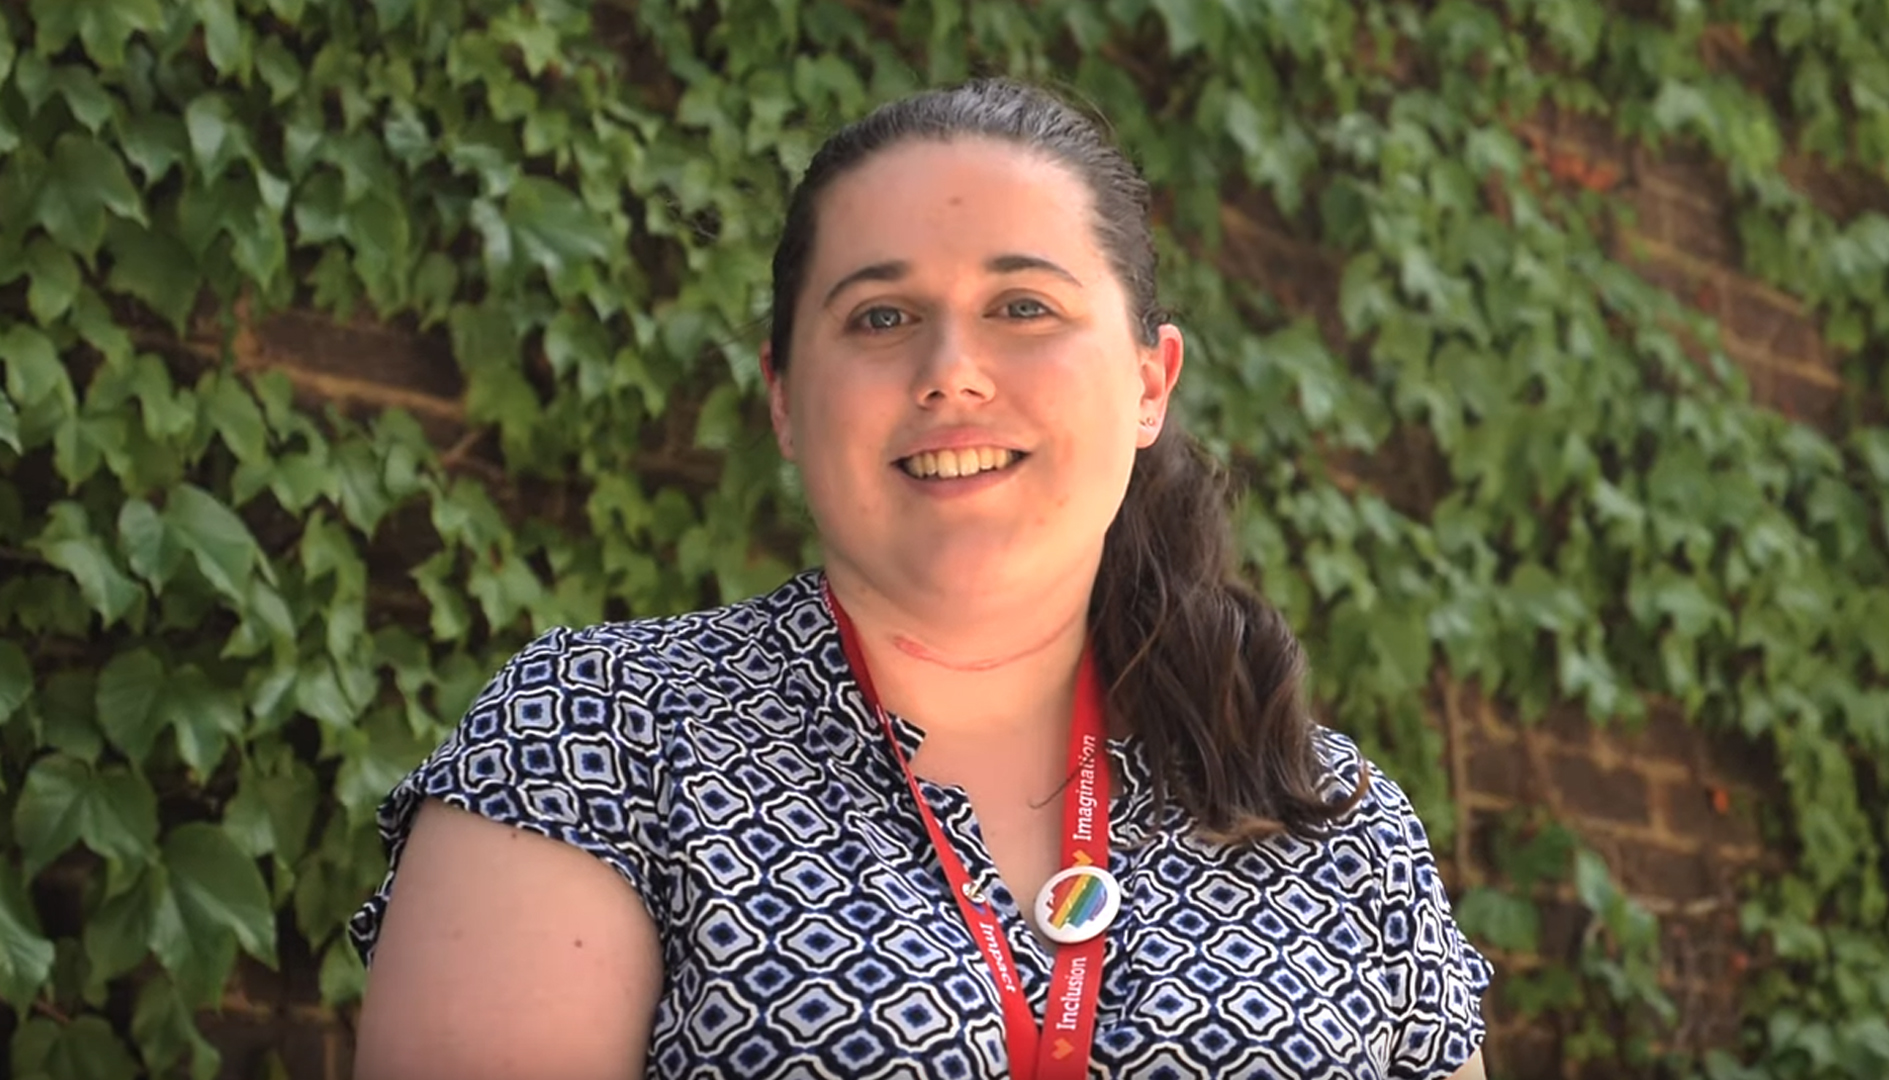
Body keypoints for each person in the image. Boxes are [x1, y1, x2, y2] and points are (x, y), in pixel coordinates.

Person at [349, 77, 1493, 1079]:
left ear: (1152, 383)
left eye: (1023, 307)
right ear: (786, 399)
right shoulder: (603, 734)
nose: (952, 373)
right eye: (882, 316)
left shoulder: (1332, 820)